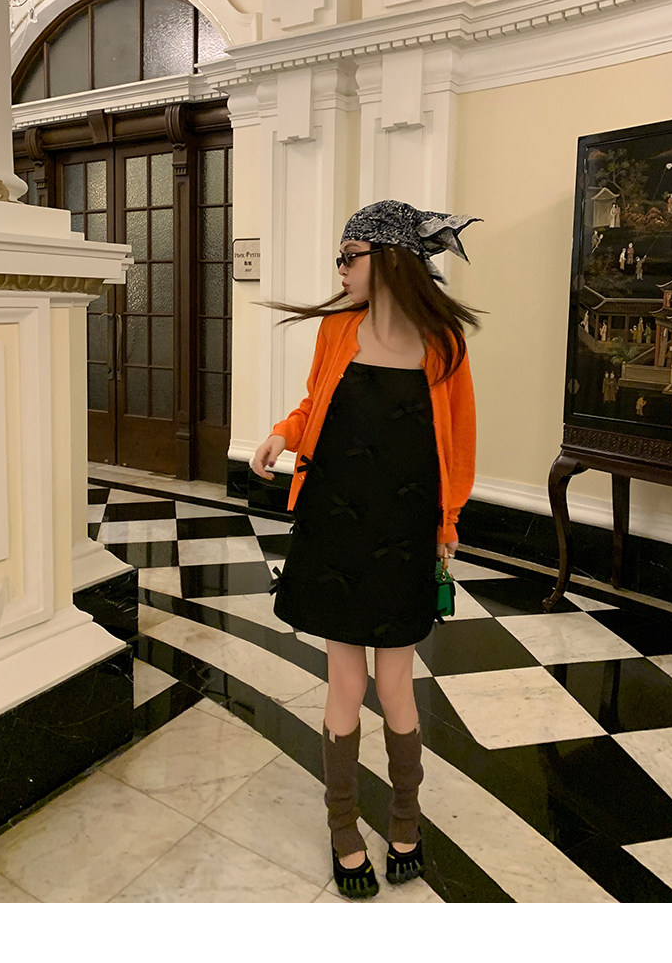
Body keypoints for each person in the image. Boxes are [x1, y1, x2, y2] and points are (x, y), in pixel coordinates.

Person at [250, 200, 479, 900]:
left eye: (349, 256)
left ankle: (405, 819)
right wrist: (283, 433)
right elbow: (314, 404)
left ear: (389, 258)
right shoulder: (338, 329)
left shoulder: (443, 344)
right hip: (335, 526)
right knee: (345, 682)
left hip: (404, 531)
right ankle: (343, 826)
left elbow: (459, 444)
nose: (340, 270)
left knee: (395, 683)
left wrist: (448, 525)